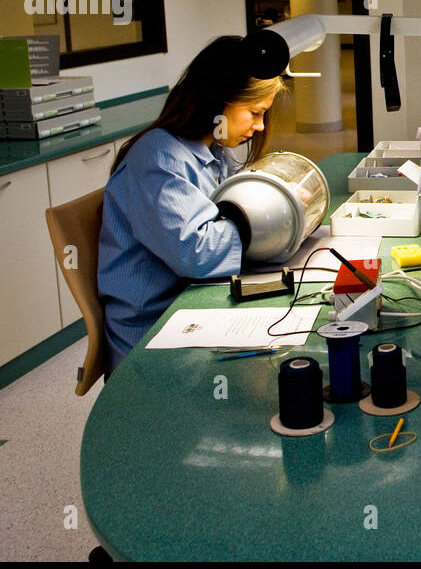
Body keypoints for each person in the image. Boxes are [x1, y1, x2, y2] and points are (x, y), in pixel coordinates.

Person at [98, 36, 287, 372]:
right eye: (255, 113)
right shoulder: (159, 158)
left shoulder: (211, 151)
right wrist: (257, 220)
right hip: (153, 333)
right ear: (217, 99)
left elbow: (229, 207)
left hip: (193, 305)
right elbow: (196, 254)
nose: (259, 126)